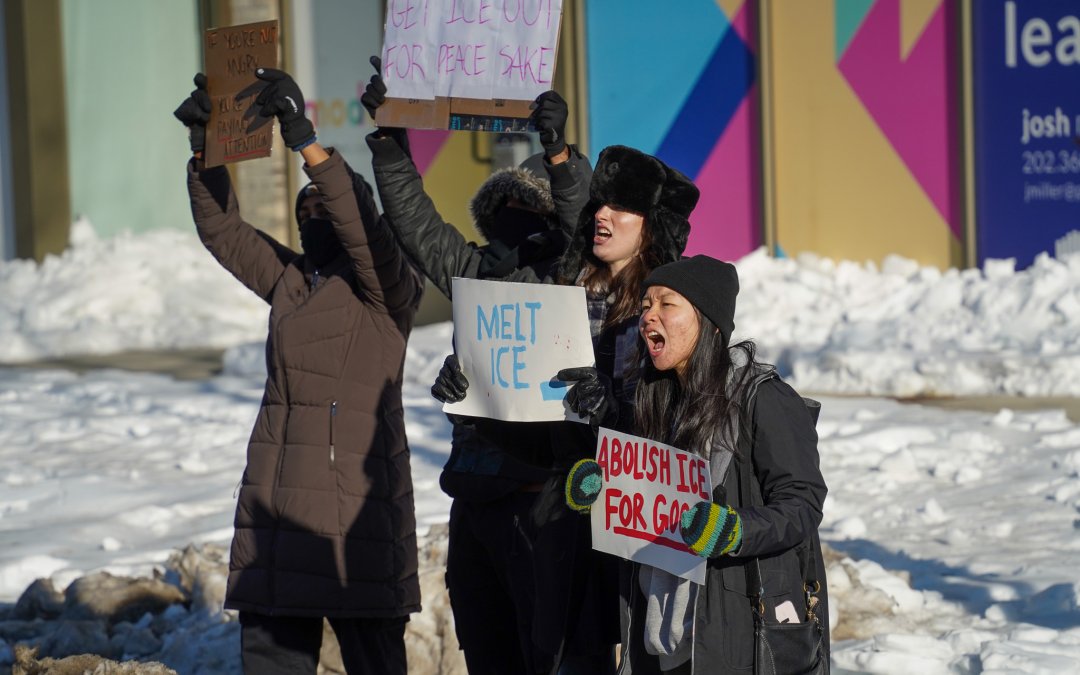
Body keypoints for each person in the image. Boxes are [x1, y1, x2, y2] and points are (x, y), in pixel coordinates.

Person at [174, 68, 424, 675]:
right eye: (304, 207)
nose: (314, 212)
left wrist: (308, 145)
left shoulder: (386, 292)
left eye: (324, 206)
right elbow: (225, 234)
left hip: (354, 525)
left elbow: (366, 231)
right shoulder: (291, 282)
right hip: (278, 514)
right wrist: (206, 146)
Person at [425, 141, 702, 672]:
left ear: (651, 225)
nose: (601, 214)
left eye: (619, 207)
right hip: (563, 522)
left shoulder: (676, 307)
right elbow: (538, 432)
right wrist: (474, 399)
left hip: (640, 537)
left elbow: (686, 426)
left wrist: (611, 418)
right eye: (599, 204)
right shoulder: (564, 295)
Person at [567, 255, 830, 674]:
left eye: (666, 304)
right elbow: (641, 509)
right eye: (646, 305)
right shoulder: (653, 403)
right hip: (657, 636)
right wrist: (598, 492)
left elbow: (803, 506)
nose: (648, 315)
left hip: (735, 635)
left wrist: (732, 530)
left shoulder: (764, 399)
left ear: (707, 320)